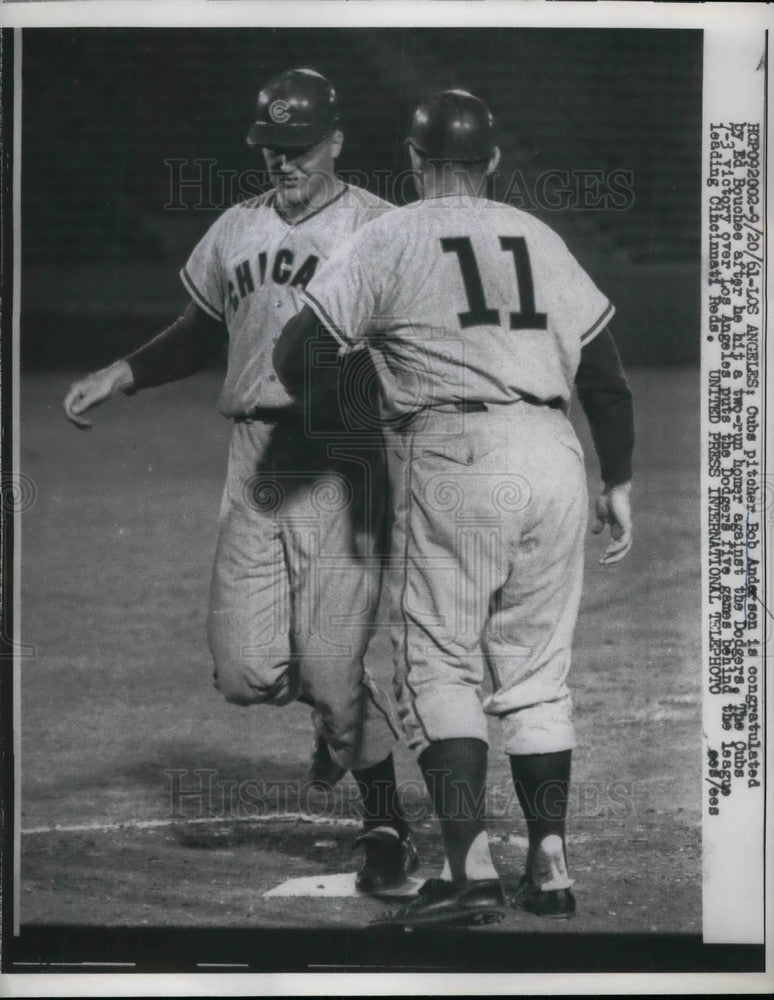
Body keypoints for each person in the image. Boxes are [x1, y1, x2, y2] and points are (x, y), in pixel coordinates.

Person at [274, 89, 634, 927]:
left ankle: (470, 870)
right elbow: (605, 375)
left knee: (438, 662)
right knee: (536, 671)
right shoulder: (539, 236)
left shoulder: (389, 235)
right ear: (493, 162)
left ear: (413, 159)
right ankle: (549, 864)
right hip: (553, 454)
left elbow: (298, 354)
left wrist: (366, 401)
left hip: (455, 452)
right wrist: (617, 481)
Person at [63, 68, 418, 894]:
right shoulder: (236, 226)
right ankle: (335, 708)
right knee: (244, 673)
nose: (283, 163)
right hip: (256, 459)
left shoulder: (381, 227)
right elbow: (201, 330)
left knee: (332, 665)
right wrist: (121, 372)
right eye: (270, 148)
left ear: (336, 142)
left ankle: (385, 822)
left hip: (342, 459)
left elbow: (419, 337)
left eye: (299, 148)